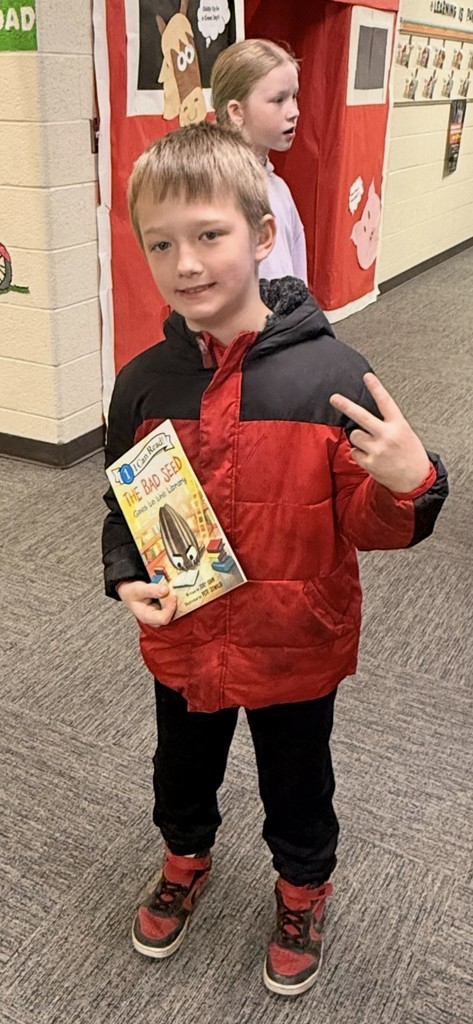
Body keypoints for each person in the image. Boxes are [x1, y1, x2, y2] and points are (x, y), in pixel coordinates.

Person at [102, 122, 448, 998]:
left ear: (261, 236)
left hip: (295, 639)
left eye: (208, 235)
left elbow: (374, 525)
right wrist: (125, 575)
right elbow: (125, 503)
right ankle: (184, 858)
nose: (185, 263)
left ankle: (302, 891)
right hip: (186, 635)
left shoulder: (331, 376)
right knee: (181, 770)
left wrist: (411, 481)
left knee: (297, 780)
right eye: (160, 243)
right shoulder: (142, 383)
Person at [210, 38, 307, 283]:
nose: (294, 111)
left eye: (294, 97)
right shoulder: (214, 191)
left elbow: (297, 276)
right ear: (237, 112)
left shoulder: (279, 190)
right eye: (279, 100)